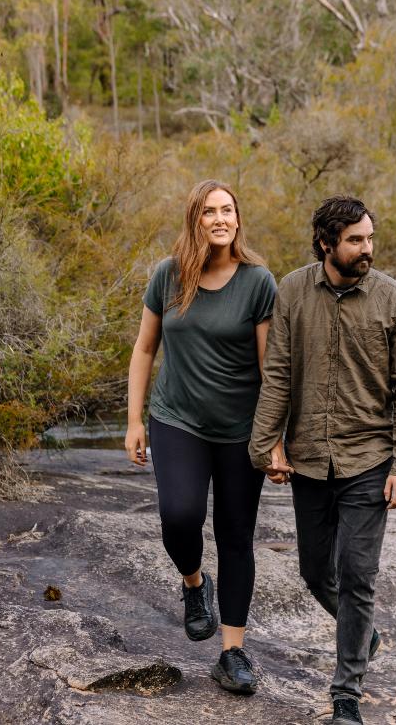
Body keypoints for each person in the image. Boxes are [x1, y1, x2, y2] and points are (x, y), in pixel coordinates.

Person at [249, 195, 396, 725]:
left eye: (369, 238)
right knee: (314, 572)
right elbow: (277, 374)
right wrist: (265, 446)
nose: (366, 248)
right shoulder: (291, 291)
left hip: (369, 459)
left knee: (357, 575)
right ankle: (363, 634)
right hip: (308, 459)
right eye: (355, 241)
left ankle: (346, 693)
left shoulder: (394, 300)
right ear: (326, 243)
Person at [124, 179, 277, 695]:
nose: (220, 219)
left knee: (236, 536)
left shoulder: (258, 282)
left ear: (238, 219)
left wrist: (274, 436)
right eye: (209, 211)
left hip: (240, 429)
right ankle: (194, 583)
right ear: (195, 219)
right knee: (179, 515)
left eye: (227, 210)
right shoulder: (168, 276)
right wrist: (134, 420)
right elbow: (145, 348)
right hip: (177, 419)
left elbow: (269, 368)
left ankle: (232, 653)